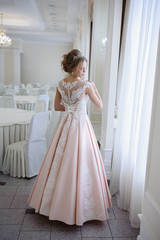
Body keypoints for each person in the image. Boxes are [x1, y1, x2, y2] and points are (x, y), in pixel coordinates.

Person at [28, 49, 112, 226]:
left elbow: (58, 107)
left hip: (66, 124)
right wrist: (94, 88)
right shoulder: (86, 85)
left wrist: (70, 107)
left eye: (84, 68)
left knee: (60, 160)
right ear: (73, 68)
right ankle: (75, 205)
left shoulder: (60, 83)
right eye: (81, 68)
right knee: (79, 161)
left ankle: (55, 203)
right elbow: (100, 105)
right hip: (81, 126)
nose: (83, 71)